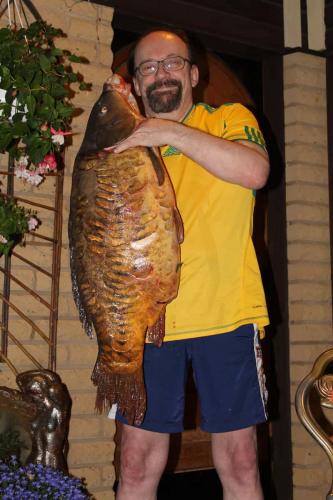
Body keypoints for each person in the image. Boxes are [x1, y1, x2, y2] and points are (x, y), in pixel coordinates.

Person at [113, 29, 270, 500]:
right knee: (135, 463)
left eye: (172, 63)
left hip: (228, 315)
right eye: (148, 68)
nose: (160, 74)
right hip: (145, 323)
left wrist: (168, 132)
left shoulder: (228, 118)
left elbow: (256, 171)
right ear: (137, 86)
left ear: (194, 74)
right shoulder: (126, 145)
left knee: (241, 462)